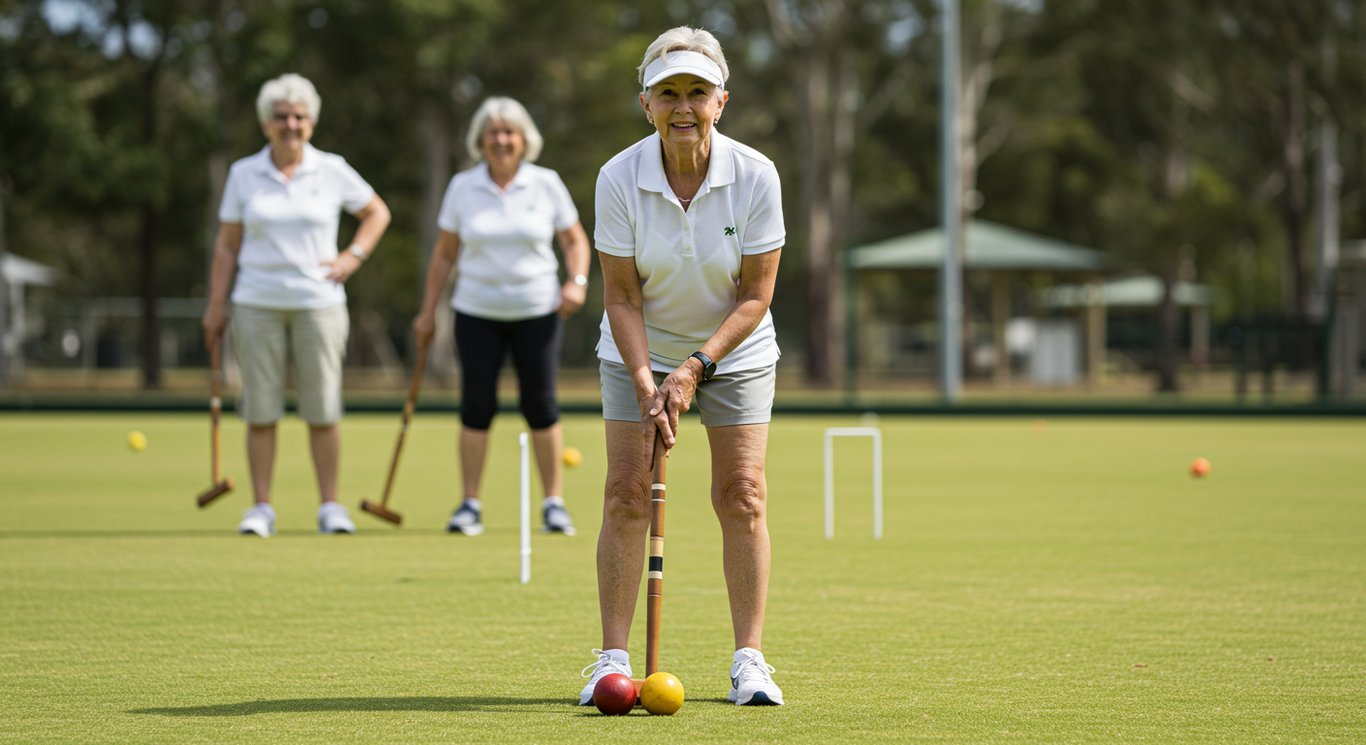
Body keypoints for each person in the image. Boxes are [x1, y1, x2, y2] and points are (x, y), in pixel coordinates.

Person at [577, 27, 786, 706]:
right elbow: (620, 294)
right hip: (638, 346)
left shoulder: (755, 176)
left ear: (721, 100)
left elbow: (756, 295)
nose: (684, 107)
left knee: (742, 494)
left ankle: (749, 660)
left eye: (698, 92)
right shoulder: (618, 177)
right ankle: (611, 660)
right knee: (625, 493)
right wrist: (647, 376)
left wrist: (696, 365)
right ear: (646, 103)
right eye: (670, 93)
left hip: (736, 346)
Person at [202, 73, 391, 537]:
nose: (291, 124)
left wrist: (353, 256)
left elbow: (376, 212)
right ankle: (261, 508)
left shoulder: (331, 168)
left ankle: (330, 508)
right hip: (255, 302)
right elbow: (228, 245)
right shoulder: (244, 173)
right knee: (261, 409)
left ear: (312, 122)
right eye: (282, 116)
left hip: (319, 303)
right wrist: (216, 303)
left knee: (323, 408)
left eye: (300, 116)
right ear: (267, 123)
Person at [413, 97, 591, 537]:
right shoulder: (462, 187)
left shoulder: (545, 183)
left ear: (524, 138)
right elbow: (444, 254)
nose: (501, 140)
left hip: (537, 310)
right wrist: (428, 310)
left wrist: (578, 282)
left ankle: (554, 504)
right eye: (493, 132)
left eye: (509, 132)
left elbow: (574, 241)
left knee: (541, 404)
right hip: (476, 311)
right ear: (481, 140)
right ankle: (469, 505)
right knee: (476, 405)